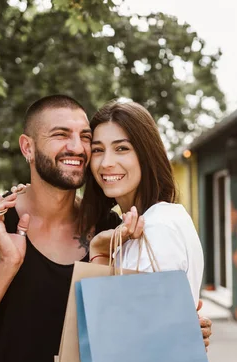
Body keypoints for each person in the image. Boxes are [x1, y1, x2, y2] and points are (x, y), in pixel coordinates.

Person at [0, 95, 212, 362]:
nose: (77, 147)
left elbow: (137, 346)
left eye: (85, 138)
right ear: (27, 147)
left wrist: (180, 330)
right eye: (60, 134)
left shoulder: (115, 232)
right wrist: (6, 267)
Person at [80, 100, 204, 306]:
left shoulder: (156, 228)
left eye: (121, 148)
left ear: (147, 155)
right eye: (98, 150)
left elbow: (132, 331)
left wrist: (99, 254)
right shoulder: (156, 220)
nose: (106, 162)